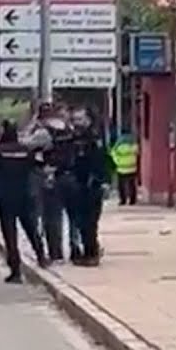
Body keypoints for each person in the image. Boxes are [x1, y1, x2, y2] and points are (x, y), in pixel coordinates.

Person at [0, 120, 50, 282]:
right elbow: (38, 165)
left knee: (10, 234)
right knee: (31, 228)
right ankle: (41, 256)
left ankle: (15, 270)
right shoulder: (25, 150)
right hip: (24, 195)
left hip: (5, 197)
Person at [66, 107, 113, 266]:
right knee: (80, 221)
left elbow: (103, 161)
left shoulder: (94, 139)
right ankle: (87, 251)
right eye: (75, 119)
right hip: (77, 185)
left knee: (90, 222)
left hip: (93, 185)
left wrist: (105, 181)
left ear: (88, 120)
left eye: (80, 119)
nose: (77, 123)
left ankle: (92, 253)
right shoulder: (72, 139)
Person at [23, 102, 70, 263]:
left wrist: (31, 126)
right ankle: (61, 251)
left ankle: (51, 252)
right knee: (57, 216)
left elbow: (25, 144)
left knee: (45, 216)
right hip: (62, 173)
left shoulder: (43, 132)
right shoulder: (65, 128)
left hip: (44, 175)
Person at [110, 131, 139, 205]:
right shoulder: (134, 145)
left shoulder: (118, 145)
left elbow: (112, 154)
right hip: (132, 168)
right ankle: (133, 200)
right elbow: (137, 153)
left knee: (121, 185)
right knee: (131, 185)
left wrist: (117, 162)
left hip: (121, 168)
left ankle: (123, 200)